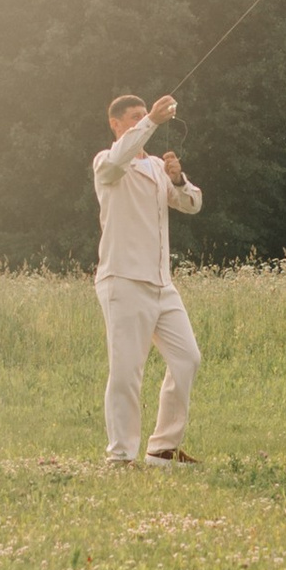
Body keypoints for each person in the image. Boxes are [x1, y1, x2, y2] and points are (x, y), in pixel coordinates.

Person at [93, 91, 202, 465]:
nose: (144, 120)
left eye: (145, 114)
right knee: (126, 370)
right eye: (136, 116)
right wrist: (152, 119)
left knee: (188, 358)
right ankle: (121, 455)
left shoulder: (156, 166)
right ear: (117, 124)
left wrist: (179, 178)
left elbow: (191, 204)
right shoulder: (107, 162)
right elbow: (121, 155)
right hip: (123, 280)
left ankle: (162, 448)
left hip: (162, 285)